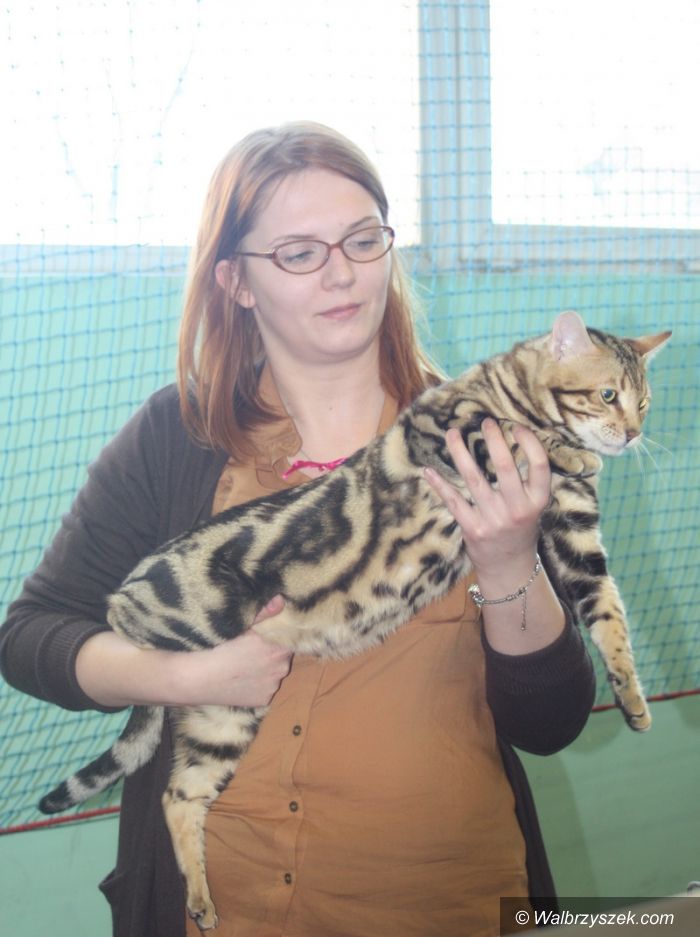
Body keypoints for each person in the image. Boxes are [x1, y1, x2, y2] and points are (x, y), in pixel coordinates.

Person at [0, 121, 595, 937]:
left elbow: (551, 722)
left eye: (362, 239)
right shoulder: (177, 439)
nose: (341, 272)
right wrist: (185, 677)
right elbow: (31, 634)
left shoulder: (482, 440)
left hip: (446, 905)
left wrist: (507, 560)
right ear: (236, 282)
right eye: (299, 253)